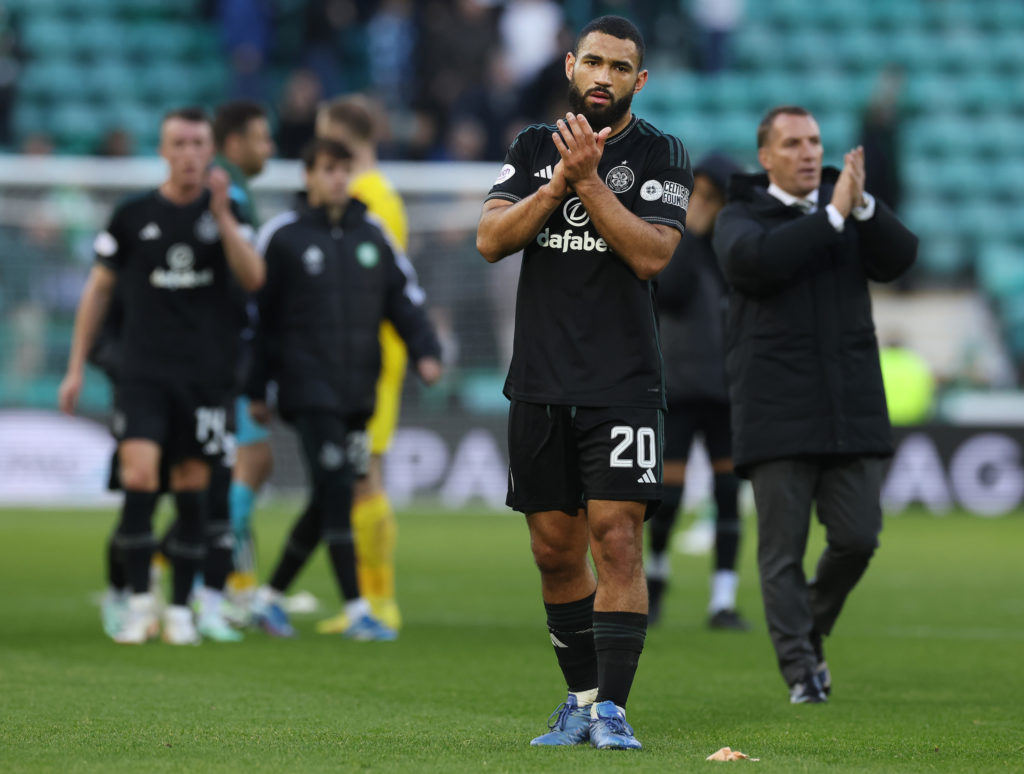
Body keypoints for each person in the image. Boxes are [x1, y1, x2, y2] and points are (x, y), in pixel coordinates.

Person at [476, 15, 692, 750]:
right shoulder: (534, 148)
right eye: (593, 62)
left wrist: (590, 181)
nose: (603, 76)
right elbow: (491, 240)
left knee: (617, 539)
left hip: (621, 382)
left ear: (639, 80)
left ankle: (614, 713)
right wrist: (557, 185)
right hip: (537, 381)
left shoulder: (661, 153)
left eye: (620, 67)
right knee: (553, 550)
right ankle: (580, 699)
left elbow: (652, 255)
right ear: (571, 65)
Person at [712, 105, 918, 703]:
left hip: (848, 406)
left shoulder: (845, 205)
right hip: (776, 410)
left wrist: (864, 208)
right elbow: (757, 264)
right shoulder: (740, 215)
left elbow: (902, 258)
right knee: (782, 552)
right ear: (766, 156)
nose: (808, 153)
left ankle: (811, 630)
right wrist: (832, 216)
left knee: (858, 538)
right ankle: (802, 670)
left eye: (816, 141)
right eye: (794, 143)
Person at [58, 107, 265, 645]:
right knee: (141, 477)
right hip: (142, 373)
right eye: (179, 143)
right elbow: (98, 291)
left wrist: (222, 216)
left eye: (199, 143)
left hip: (205, 377)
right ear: (163, 150)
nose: (190, 154)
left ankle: (178, 611)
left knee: (195, 486)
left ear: (209, 150)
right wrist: (75, 366)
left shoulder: (228, 213)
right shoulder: (131, 217)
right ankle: (137, 602)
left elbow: (254, 277)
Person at [246, 138, 442, 641]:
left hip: (358, 390)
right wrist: (253, 387)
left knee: (328, 494)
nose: (337, 178)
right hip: (305, 387)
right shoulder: (283, 236)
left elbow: (404, 298)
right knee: (337, 486)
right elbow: (257, 320)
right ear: (307, 175)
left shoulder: (371, 233)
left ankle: (268, 600)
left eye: (343, 169)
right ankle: (358, 610)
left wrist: (426, 350)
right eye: (328, 169)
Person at [311, 95, 409, 634]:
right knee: (358, 475)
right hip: (368, 353)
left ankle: (380, 600)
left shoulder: (366, 197)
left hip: (367, 357)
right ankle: (369, 600)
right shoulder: (382, 194)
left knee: (365, 476)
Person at [645, 151, 749, 631]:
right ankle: (657, 577)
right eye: (700, 193)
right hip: (682, 386)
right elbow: (669, 291)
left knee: (728, 493)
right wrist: (691, 228)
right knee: (668, 495)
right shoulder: (676, 242)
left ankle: (722, 600)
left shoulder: (736, 251)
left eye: (714, 196)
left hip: (729, 390)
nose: (705, 203)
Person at [208, 100, 276, 612]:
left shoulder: (231, 187)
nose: (269, 147)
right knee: (249, 461)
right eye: (261, 137)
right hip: (225, 347)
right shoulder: (225, 189)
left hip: (224, 346)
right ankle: (227, 580)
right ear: (235, 142)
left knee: (235, 464)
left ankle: (218, 575)